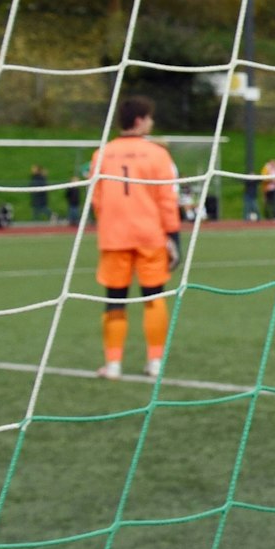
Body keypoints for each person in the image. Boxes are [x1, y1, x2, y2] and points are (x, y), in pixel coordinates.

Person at [89, 96, 181, 380]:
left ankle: (113, 364)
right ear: (140, 120)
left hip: (114, 236)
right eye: (150, 118)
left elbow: (97, 199)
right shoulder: (157, 154)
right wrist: (174, 236)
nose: (151, 123)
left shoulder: (102, 154)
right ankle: (155, 362)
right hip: (150, 235)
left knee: (115, 299)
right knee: (153, 297)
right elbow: (167, 198)